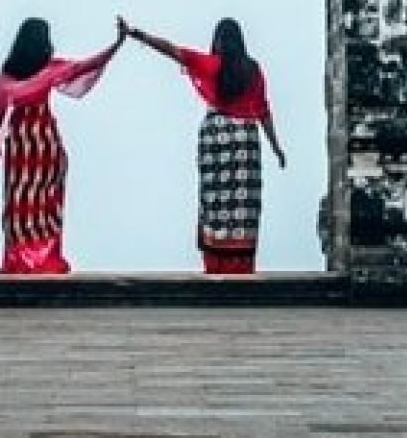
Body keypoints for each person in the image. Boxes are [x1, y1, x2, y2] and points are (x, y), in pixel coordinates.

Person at [120, 15, 284, 274]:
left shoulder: (211, 65)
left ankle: (216, 264)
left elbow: (170, 49)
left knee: (215, 204)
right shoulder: (253, 70)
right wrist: (276, 146)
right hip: (246, 142)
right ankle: (241, 266)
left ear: (218, 40)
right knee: (243, 208)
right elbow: (264, 111)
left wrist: (137, 34)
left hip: (216, 138)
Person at [0, 17, 126, 274]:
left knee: (20, 204)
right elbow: (90, 64)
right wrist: (118, 43)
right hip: (45, 141)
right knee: (46, 203)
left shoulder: (4, 79)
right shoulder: (49, 69)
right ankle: (43, 260)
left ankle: (22, 262)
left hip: (22, 144)